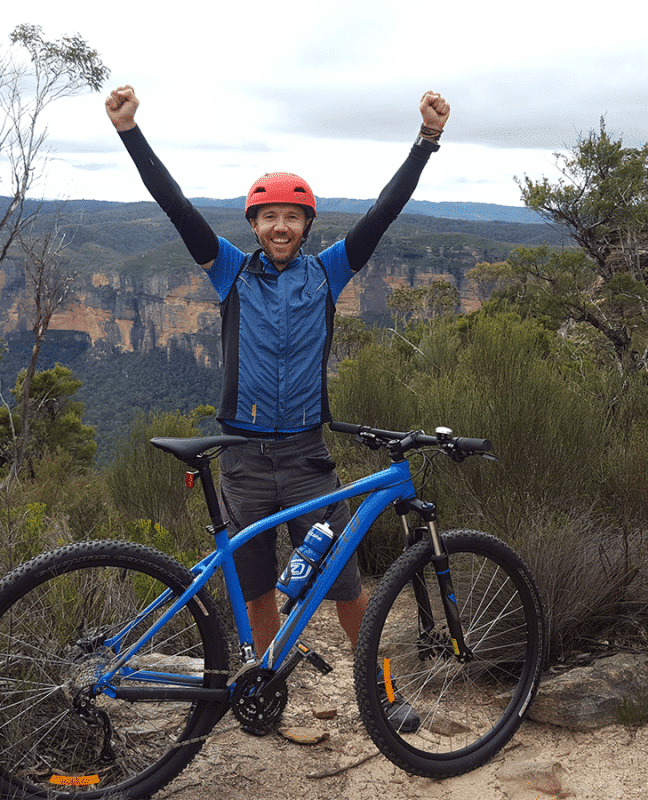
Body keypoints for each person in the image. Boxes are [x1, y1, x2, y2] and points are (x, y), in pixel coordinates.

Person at [105, 85, 449, 731]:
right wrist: (130, 132)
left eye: (292, 216)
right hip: (241, 457)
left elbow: (384, 211)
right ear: (254, 226)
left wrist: (425, 142)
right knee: (258, 585)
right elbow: (175, 207)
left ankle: (382, 694)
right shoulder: (229, 272)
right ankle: (266, 688)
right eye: (268, 217)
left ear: (307, 225)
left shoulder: (329, 273)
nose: (280, 226)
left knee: (345, 585)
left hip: (306, 457)